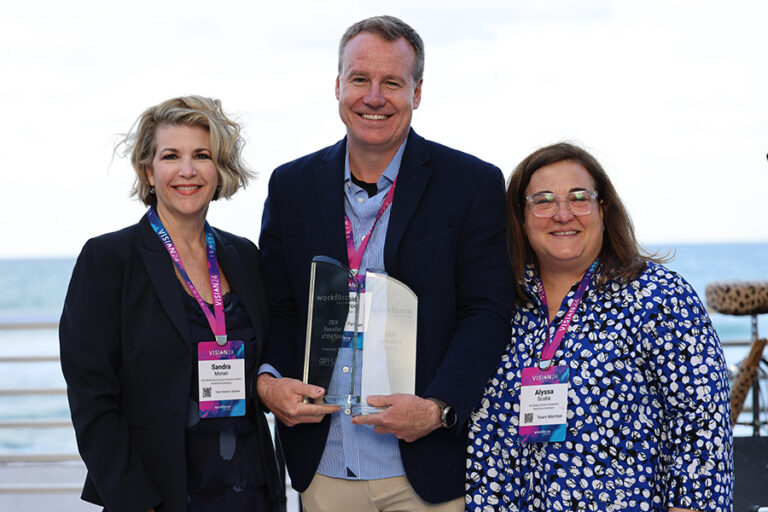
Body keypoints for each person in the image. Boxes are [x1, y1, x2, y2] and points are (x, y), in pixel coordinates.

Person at [256, 15, 514, 512]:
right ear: (337, 86)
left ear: (417, 93)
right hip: (323, 465)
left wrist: (439, 409)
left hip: (427, 470)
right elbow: (280, 307)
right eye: (359, 79)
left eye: (392, 82)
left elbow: (486, 313)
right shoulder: (289, 187)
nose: (373, 97)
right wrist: (269, 382)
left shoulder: (471, 183)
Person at [466, 142, 733, 511]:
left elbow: (702, 428)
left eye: (579, 198)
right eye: (543, 200)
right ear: (520, 217)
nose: (562, 214)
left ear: (603, 210)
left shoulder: (659, 298)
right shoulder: (493, 303)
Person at [59, 96, 285, 512]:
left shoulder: (245, 256)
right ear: (149, 170)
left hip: (250, 490)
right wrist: (136, 501)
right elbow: (92, 398)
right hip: (159, 495)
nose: (187, 170)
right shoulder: (109, 260)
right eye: (171, 156)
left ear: (219, 170)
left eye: (202, 155)